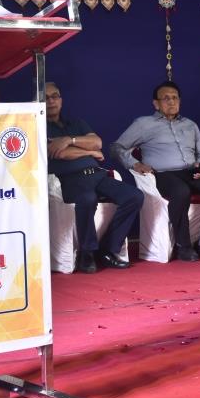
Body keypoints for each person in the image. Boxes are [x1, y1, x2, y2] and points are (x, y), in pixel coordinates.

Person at [112, 82, 200, 261]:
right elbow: (116, 147)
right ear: (156, 104)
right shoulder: (143, 124)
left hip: (192, 173)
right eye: (166, 98)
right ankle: (183, 245)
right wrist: (135, 164)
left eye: (175, 98)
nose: (171, 102)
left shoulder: (190, 125)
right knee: (181, 191)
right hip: (163, 174)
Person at [45, 82, 143, 272]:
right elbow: (61, 154)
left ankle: (107, 249)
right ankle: (86, 253)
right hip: (70, 179)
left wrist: (69, 140)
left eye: (55, 96)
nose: (51, 101)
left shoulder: (77, 123)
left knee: (134, 196)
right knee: (87, 199)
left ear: (61, 100)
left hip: (97, 175)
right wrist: (90, 152)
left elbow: (97, 142)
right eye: (46, 98)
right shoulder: (39, 127)